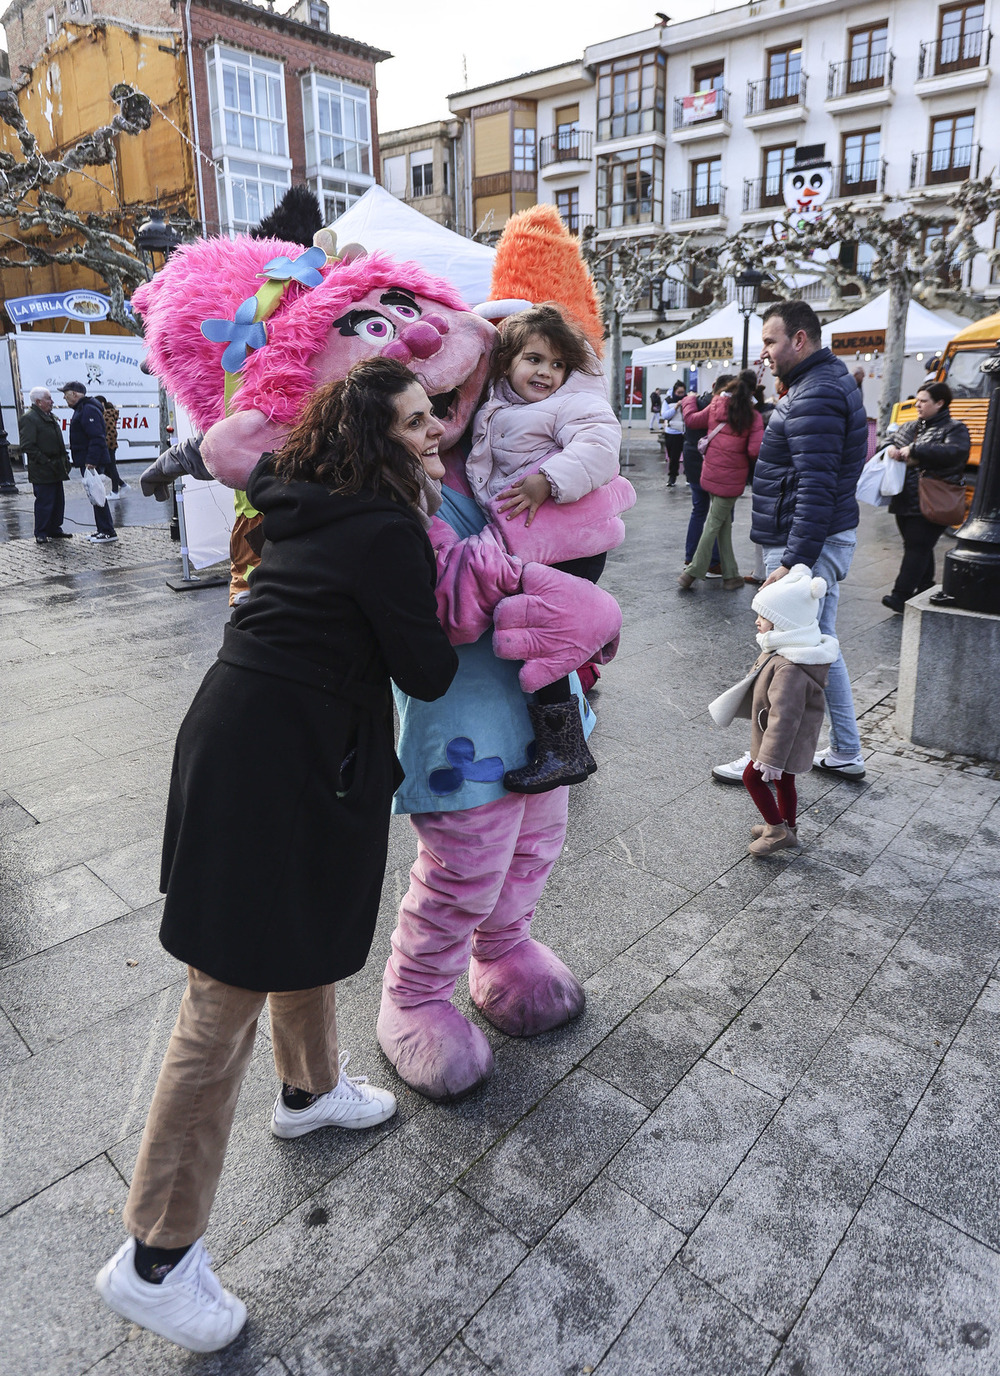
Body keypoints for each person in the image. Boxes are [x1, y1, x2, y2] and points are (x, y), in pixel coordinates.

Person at [95, 358, 459, 1353]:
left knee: (301, 922)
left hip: (253, 733)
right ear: (378, 439)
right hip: (273, 760)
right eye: (421, 421)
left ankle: (308, 1089)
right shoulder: (388, 528)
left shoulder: (302, 498)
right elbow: (424, 665)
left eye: (438, 416)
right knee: (221, 998)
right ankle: (155, 1256)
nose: (438, 431)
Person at [466, 302, 621, 793]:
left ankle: (564, 751)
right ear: (506, 360)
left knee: (544, 636)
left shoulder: (571, 403)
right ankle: (564, 747)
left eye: (557, 364)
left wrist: (546, 481)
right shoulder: (497, 404)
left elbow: (600, 446)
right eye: (534, 359)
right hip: (536, 542)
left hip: (567, 546)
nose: (547, 373)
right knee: (536, 630)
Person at [712, 301, 868, 784]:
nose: (765, 354)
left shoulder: (815, 393)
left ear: (799, 340)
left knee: (783, 651)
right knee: (820, 646)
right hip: (817, 537)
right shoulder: (821, 383)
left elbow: (816, 484)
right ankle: (845, 749)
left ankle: (765, 760)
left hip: (806, 543)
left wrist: (795, 561)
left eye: (770, 342)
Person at [733, 566, 840, 856]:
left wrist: (770, 758)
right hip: (789, 739)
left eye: (763, 618)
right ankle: (787, 826)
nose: (757, 622)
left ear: (784, 623)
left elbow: (784, 716)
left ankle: (777, 829)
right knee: (785, 781)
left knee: (752, 778)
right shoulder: (790, 650)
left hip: (780, 741)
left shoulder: (789, 668)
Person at [882, 381, 970, 613]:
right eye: (917, 400)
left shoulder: (954, 428)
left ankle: (900, 596)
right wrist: (889, 447)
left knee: (918, 546)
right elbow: (889, 440)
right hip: (905, 497)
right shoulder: (910, 426)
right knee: (917, 546)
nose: (917, 405)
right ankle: (925, 586)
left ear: (940, 403)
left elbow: (956, 452)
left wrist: (917, 450)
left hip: (934, 497)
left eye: (923, 401)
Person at [679, 370, 763, 592]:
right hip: (732, 478)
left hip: (711, 473)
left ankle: (731, 576)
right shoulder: (753, 417)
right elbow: (755, 449)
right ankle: (692, 572)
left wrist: (688, 399)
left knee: (722, 525)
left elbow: (692, 420)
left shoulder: (716, 404)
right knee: (714, 524)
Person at [681, 374, 734, 568]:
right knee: (721, 515)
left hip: (694, 464)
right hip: (719, 468)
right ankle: (714, 563)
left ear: (713, 385)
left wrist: (688, 399)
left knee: (699, 510)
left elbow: (690, 421)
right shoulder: (728, 409)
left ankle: (690, 557)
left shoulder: (694, 402)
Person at [60, 382, 118, 543]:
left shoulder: (88, 409)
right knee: (95, 494)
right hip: (88, 460)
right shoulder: (84, 408)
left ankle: (107, 531)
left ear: (75, 394)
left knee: (98, 494)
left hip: (92, 461)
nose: (64, 397)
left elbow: (97, 437)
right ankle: (102, 529)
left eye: (66, 393)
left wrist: (91, 461)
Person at [19, 387, 73, 544]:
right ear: (38, 402)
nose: (52, 401)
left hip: (56, 466)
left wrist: (64, 459)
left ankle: (54, 529)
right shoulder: (29, 418)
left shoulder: (48, 416)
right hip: (43, 469)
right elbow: (28, 446)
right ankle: (41, 532)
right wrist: (46, 461)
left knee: (58, 501)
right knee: (45, 501)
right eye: (48, 399)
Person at [94, 394, 129, 496]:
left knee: (110, 468)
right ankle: (122, 485)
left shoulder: (107, 415)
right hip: (108, 445)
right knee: (108, 469)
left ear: (102, 403)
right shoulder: (105, 414)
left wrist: (105, 443)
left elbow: (112, 432)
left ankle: (115, 491)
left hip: (109, 446)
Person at [662, 379, 687, 486]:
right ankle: (672, 477)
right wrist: (676, 407)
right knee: (673, 457)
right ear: (674, 392)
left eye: (683, 392)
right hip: (672, 433)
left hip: (685, 433)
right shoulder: (668, 401)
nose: (681, 395)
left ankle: (689, 477)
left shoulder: (688, 400)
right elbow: (665, 415)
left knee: (688, 456)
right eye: (679, 393)